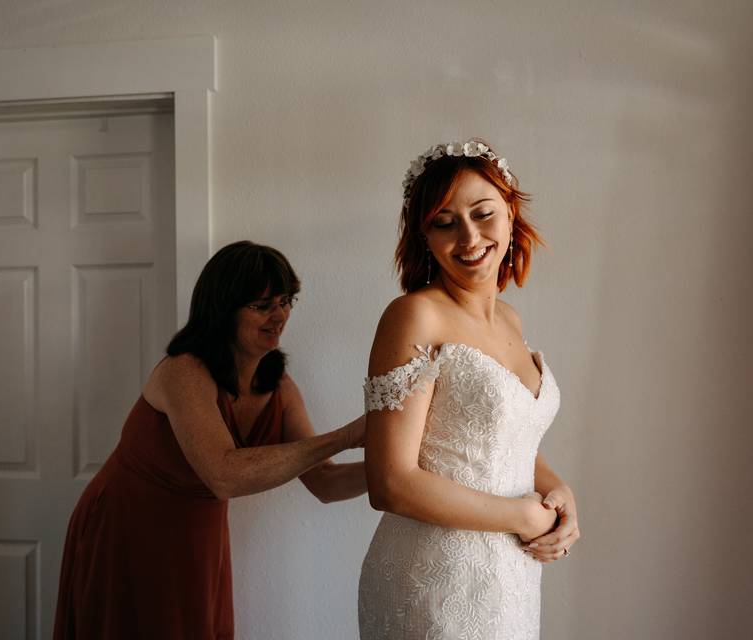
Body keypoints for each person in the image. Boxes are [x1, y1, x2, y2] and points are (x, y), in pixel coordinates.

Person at [53, 240, 367, 640]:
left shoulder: (280, 388)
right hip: (127, 528)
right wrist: (347, 436)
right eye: (262, 305)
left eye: (286, 300)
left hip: (198, 537)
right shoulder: (183, 372)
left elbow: (324, 482)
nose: (279, 315)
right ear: (222, 309)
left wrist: (397, 466)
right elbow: (223, 474)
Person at [357, 139, 580, 639]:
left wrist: (555, 491)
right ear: (424, 237)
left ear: (510, 216)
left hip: (512, 574)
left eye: (483, 214)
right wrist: (520, 515)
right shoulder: (415, 315)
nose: (470, 237)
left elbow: (505, 439)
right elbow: (388, 482)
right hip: (436, 577)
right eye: (444, 222)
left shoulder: (510, 318)